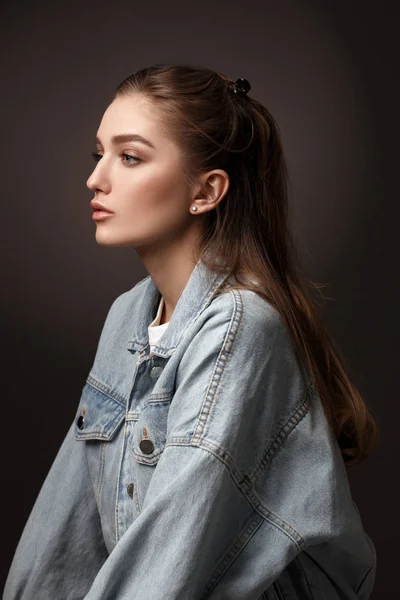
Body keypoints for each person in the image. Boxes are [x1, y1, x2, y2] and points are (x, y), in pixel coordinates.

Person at [3, 63, 378, 600]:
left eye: (129, 157)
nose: (96, 178)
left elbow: (171, 548)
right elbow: (66, 523)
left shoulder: (241, 327)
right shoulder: (128, 316)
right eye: (99, 153)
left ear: (206, 191)